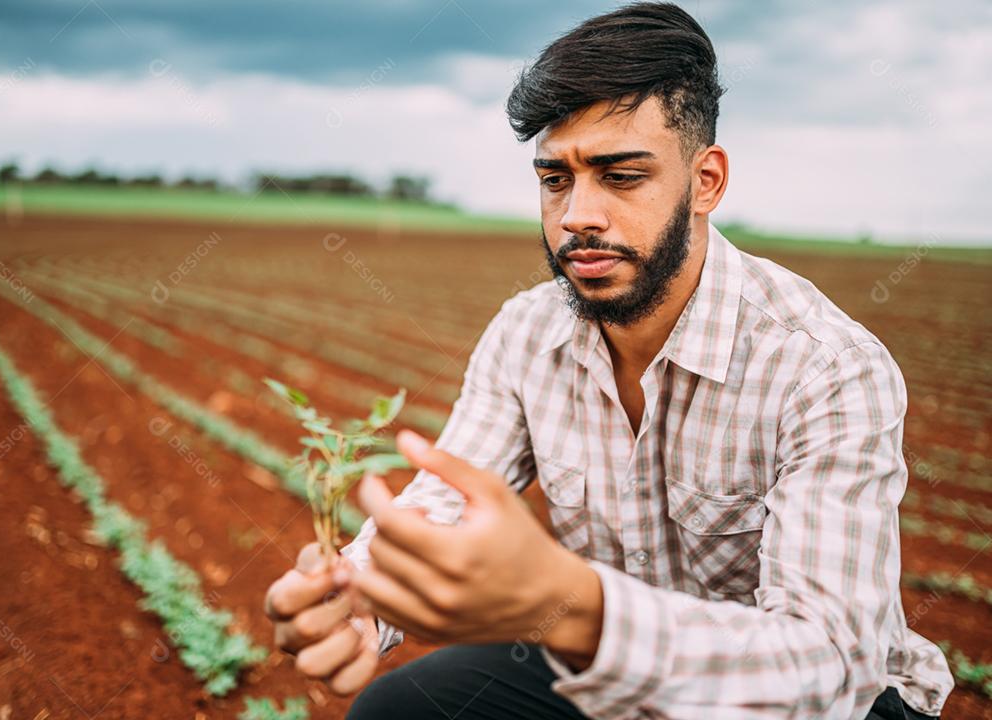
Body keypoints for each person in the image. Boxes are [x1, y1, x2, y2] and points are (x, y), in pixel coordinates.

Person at [263, 3, 953, 717]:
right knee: (401, 710)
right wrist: (360, 599)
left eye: (620, 176)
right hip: (613, 667)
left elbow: (828, 665)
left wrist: (586, 610)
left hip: (807, 699)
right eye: (555, 179)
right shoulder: (525, 334)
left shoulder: (828, 368)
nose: (576, 216)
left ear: (706, 182)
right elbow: (444, 500)